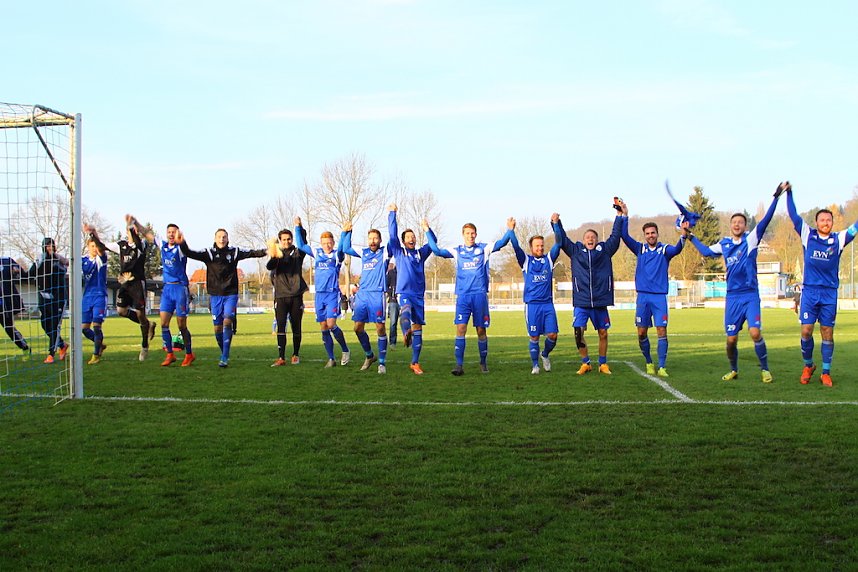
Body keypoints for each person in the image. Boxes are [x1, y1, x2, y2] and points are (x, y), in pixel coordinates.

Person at [687, 187, 781, 383]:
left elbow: (765, 220)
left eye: (740, 222)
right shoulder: (724, 244)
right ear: (730, 225)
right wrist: (690, 236)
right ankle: (734, 370)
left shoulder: (751, 240)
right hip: (732, 297)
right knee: (731, 340)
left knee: (755, 332)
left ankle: (765, 369)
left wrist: (776, 197)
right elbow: (705, 251)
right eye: (734, 222)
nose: (737, 224)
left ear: (745, 226)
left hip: (750, 295)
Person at [786, 184, 858, 387]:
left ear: (832, 222)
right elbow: (793, 216)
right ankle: (808, 365)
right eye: (822, 219)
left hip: (829, 294)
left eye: (829, 220)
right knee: (806, 331)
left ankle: (826, 372)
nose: (825, 222)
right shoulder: (808, 234)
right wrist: (789, 193)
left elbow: (855, 227)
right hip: (810, 292)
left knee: (827, 332)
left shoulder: (839, 239)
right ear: (816, 222)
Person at [425, 218, 515, 375]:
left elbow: (501, 243)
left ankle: (483, 362)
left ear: (476, 234)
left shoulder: (484, 249)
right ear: (463, 235)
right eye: (467, 233)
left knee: (481, 330)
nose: (470, 236)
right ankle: (459, 365)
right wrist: (427, 231)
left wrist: (510, 230)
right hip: (463, 297)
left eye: (472, 233)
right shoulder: (457, 251)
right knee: (461, 328)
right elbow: (437, 251)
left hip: (479, 296)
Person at [178, 228, 266, 367]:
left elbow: (252, 253)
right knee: (217, 329)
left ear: (227, 238)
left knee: (227, 322)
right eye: (219, 237)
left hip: (231, 294)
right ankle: (224, 351)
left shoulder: (234, 252)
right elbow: (190, 253)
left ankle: (224, 356)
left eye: (224, 237)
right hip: (215, 296)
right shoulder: (208, 253)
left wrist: (268, 250)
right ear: (215, 239)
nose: (222, 239)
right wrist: (181, 242)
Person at [552, 205, 624, 375]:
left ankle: (603, 364)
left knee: (603, 333)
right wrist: (556, 223)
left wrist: (619, 216)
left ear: (597, 240)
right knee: (578, 332)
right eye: (587, 237)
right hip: (582, 301)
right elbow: (562, 239)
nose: (590, 239)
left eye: (593, 237)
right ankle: (586, 363)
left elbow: (615, 236)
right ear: (583, 241)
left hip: (600, 301)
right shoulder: (576, 251)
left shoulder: (605, 250)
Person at [620, 203, 687, 377]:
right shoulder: (639, 249)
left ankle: (662, 366)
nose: (650, 236)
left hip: (659, 298)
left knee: (661, 330)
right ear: (644, 236)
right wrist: (625, 215)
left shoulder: (664, 250)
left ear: (657, 234)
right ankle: (649, 361)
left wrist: (683, 236)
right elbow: (624, 235)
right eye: (648, 234)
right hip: (642, 297)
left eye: (653, 233)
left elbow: (677, 249)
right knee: (641, 332)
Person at [508, 218, 563, 374]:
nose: (540, 248)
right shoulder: (526, 260)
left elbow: (559, 243)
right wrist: (511, 231)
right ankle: (535, 365)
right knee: (534, 337)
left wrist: (556, 225)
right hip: (532, 305)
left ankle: (544, 354)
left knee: (553, 335)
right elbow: (516, 246)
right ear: (531, 247)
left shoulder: (549, 259)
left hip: (547, 304)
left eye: (541, 245)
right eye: (537, 245)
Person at [294, 217, 351, 368]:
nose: (327, 245)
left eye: (329, 242)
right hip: (319, 295)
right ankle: (331, 358)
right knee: (323, 327)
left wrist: (344, 232)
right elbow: (300, 245)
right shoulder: (317, 252)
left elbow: (342, 247)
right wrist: (298, 227)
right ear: (321, 244)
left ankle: (345, 350)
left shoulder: (337, 256)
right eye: (324, 243)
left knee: (332, 324)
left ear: (333, 243)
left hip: (332, 294)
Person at [101, 215, 156, 361]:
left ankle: (144, 346)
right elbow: (104, 245)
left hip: (138, 284)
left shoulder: (141, 244)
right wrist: (92, 234)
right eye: (130, 230)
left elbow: (139, 238)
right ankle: (149, 324)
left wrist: (132, 224)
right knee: (121, 311)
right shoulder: (121, 245)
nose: (132, 232)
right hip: (125, 283)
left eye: (134, 230)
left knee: (140, 314)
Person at [387, 204, 434, 374]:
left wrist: (427, 229)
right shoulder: (399, 252)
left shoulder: (421, 254)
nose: (412, 238)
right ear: (403, 240)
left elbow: (433, 244)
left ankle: (415, 362)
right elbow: (392, 235)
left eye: (413, 236)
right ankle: (406, 332)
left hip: (418, 295)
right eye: (408, 237)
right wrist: (392, 214)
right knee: (405, 311)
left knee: (419, 328)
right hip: (404, 292)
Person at [340, 222, 390, 374]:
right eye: (370, 238)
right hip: (362, 295)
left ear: (380, 240)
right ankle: (369, 356)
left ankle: (381, 363)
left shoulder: (385, 252)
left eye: (375, 238)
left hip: (377, 294)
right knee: (357, 328)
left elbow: (393, 239)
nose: (373, 241)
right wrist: (346, 232)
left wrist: (392, 216)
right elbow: (345, 248)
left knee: (380, 327)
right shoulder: (364, 252)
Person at [266, 227, 308, 366]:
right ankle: (281, 358)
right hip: (281, 296)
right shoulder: (276, 254)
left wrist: (299, 227)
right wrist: (273, 253)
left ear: (292, 239)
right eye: (283, 239)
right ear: (280, 240)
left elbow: (304, 240)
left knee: (296, 326)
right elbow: (269, 266)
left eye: (289, 239)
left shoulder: (298, 252)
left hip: (296, 295)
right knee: (281, 326)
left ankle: (295, 355)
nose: (286, 242)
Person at [157, 223, 194, 367]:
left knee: (181, 325)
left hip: (180, 289)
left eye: (174, 232)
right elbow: (149, 235)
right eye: (169, 232)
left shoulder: (180, 248)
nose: (171, 234)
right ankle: (170, 354)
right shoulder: (163, 245)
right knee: (164, 324)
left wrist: (182, 241)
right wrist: (135, 224)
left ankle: (189, 354)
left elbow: (186, 249)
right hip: (167, 289)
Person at [27, 238, 69, 364]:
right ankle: (62, 345)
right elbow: (30, 274)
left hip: (58, 298)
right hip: (44, 298)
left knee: (55, 325)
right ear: (44, 247)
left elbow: (64, 269)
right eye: (47, 246)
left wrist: (58, 261)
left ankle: (51, 354)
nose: (50, 248)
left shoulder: (58, 261)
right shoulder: (40, 260)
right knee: (45, 325)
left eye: (52, 245)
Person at [81, 227, 109, 364]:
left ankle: (96, 354)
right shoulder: (82, 261)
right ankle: (100, 345)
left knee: (97, 326)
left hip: (99, 296)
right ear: (88, 247)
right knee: (85, 329)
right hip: (87, 297)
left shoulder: (101, 259)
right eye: (91, 246)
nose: (94, 248)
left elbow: (102, 248)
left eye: (95, 246)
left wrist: (94, 233)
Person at [0, 255, 30, 355]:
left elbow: (22, 274)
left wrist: (17, 271)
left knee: (8, 327)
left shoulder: (6, 260)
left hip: (4, 303)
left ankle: (24, 346)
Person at [386, 261, 399, 348]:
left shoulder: (406, 272)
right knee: (393, 322)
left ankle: (409, 341)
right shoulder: (391, 273)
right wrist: (391, 294)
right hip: (394, 301)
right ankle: (392, 342)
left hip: (406, 299)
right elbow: (385, 286)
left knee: (408, 321)